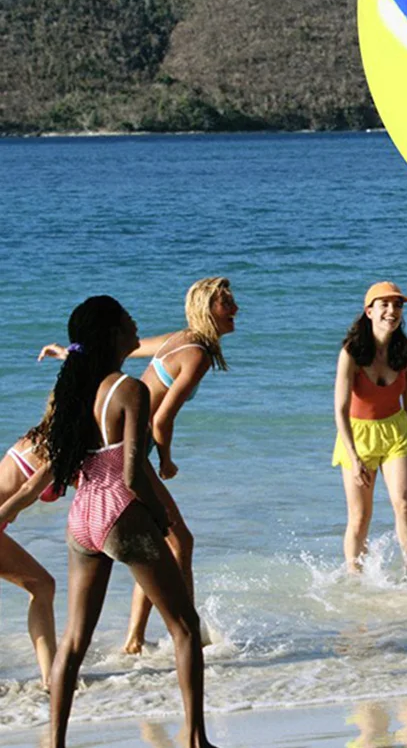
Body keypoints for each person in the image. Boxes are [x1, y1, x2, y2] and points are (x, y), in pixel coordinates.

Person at [25, 295, 217, 748]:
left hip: (82, 518)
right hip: (121, 513)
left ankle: (54, 742)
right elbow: (132, 473)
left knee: (73, 642)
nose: (137, 328)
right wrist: (159, 518)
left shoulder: (74, 388)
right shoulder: (130, 389)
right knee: (184, 627)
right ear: (112, 334)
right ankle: (194, 739)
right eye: (130, 322)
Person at [39, 276, 238, 653]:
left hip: (121, 445)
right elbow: (161, 419)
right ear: (205, 309)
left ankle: (137, 638)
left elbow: (119, 352)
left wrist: (72, 354)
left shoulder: (179, 338)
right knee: (179, 541)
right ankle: (185, 634)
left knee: (157, 542)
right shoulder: (196, 354)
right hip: (135, 448)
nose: (235, 309)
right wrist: (165, 460)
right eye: (225, 303)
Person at [333, 281, 407, 571]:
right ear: (369, 311)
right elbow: (341, 408)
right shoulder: (352, 353)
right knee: (360, 516)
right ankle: (355, 577)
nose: (391, 311)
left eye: (397, 305)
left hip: (396, 431)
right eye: (384, 305)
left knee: (405, 504)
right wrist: (354, 456)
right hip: (357, 436)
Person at [0, 422, 60, 688]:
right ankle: (53, 678)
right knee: (42, 586)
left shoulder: (42, 439)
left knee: (42, 586)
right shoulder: (53, 447)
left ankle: (51, 679)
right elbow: (27, 491)